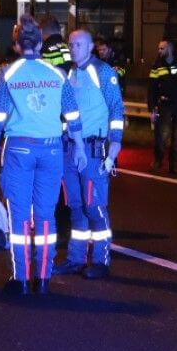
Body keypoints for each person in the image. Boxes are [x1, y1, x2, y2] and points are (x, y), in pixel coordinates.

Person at [0, 25, 87, 295]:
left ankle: (20, 279)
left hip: (19, 149)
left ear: (17, 46)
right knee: (45, 216)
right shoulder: (57, 74)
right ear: (41, 45)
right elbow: (72, 115)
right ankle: (43, 278)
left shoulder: (6, 74)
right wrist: (78, 147)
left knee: (19, 217)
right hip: (53, 149)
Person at [54, 30, 125, 280]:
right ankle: (75, 258)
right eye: (71, 44)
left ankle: (101, 260)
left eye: (79, 44)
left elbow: (117, 108)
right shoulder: (71, 73)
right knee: (76, 207)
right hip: (71, 148)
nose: (74, 48)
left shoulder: (103, 72)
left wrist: (115, 141)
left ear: (91, 46)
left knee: (94, 206)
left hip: (94, 149)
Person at [147, 39, 177, 173]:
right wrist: (152, 108)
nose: (159, 51)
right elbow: (151, 89)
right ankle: (158, 162)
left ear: (169, 49)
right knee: (161, 136)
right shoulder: (157, 67)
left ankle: (174, 166)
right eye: (159, 48)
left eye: (162, 48)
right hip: (165, 105)